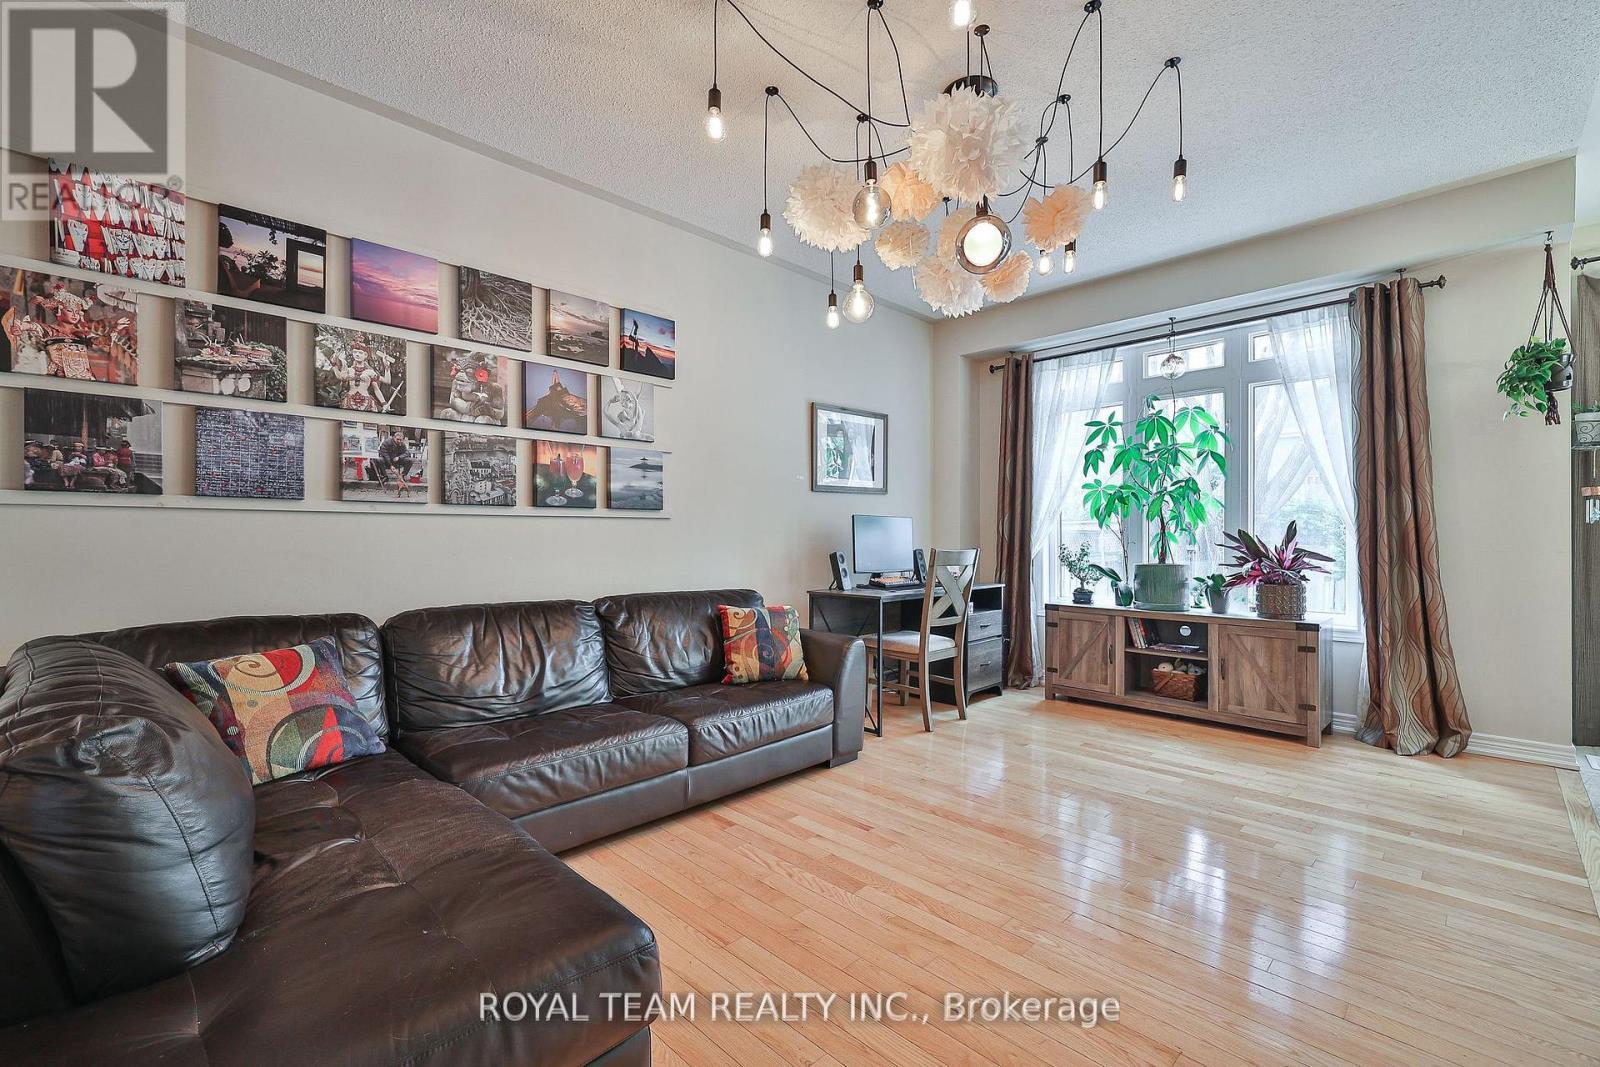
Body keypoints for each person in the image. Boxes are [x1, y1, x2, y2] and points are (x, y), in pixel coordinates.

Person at [376, 429, 414, 497]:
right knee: (380, 460)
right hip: (387, 461)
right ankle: (385, 476)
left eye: (400, 440)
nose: (399, 441)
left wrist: (399, 457)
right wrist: (390, 465)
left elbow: (407, 453)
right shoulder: (386, 443)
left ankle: (402, 475)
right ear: (394, 438)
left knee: (410, 460)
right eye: (397, 439)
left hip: (397, 460)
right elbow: (385, 455)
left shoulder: (402, 444)